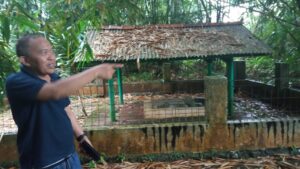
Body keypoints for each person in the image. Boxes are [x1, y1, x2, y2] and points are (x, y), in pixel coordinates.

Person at [5, 33, 122, 169]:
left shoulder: (54, 77)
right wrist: (96, 71)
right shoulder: (16, 82)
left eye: (51, 51)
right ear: (25, 60)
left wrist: (81, 138)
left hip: (70, 156)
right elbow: (54, 92)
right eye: (44, 52)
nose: (51, 57)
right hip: (43, 162)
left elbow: (66, 110)